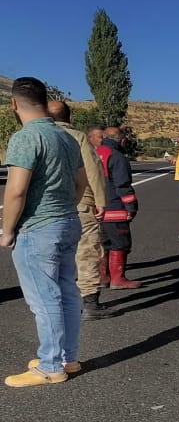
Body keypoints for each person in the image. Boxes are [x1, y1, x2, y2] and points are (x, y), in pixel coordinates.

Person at [1, 77, 86, 387]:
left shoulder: (25, 138)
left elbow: (16, 191)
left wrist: (7, 230)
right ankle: (68, 357)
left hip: (38, 227)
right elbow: (80, 184)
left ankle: (51, 364)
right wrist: (63, 208)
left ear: (14, 104)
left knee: (44, 298)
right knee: (65, 290)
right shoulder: (66, 138)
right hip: (67, 222)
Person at [48, 102, 116, 320]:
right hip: (79, 202)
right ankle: (90, 302)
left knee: (53, 255)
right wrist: (101, 200)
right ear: (70, 116)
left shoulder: (39, 135)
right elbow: (92, 169)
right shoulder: (77, 137)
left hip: (48, 206)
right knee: (87, 251)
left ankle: (55, 303)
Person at [96, 127, 142, 289]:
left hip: (97, 209)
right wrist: (131, 206)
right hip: (115, 208)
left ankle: (104, 277)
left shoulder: (95, 153)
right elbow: (122, 185)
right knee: (120, 243)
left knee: (104, 243)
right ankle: (118, 278)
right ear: (121, 141)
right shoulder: (117, 157)